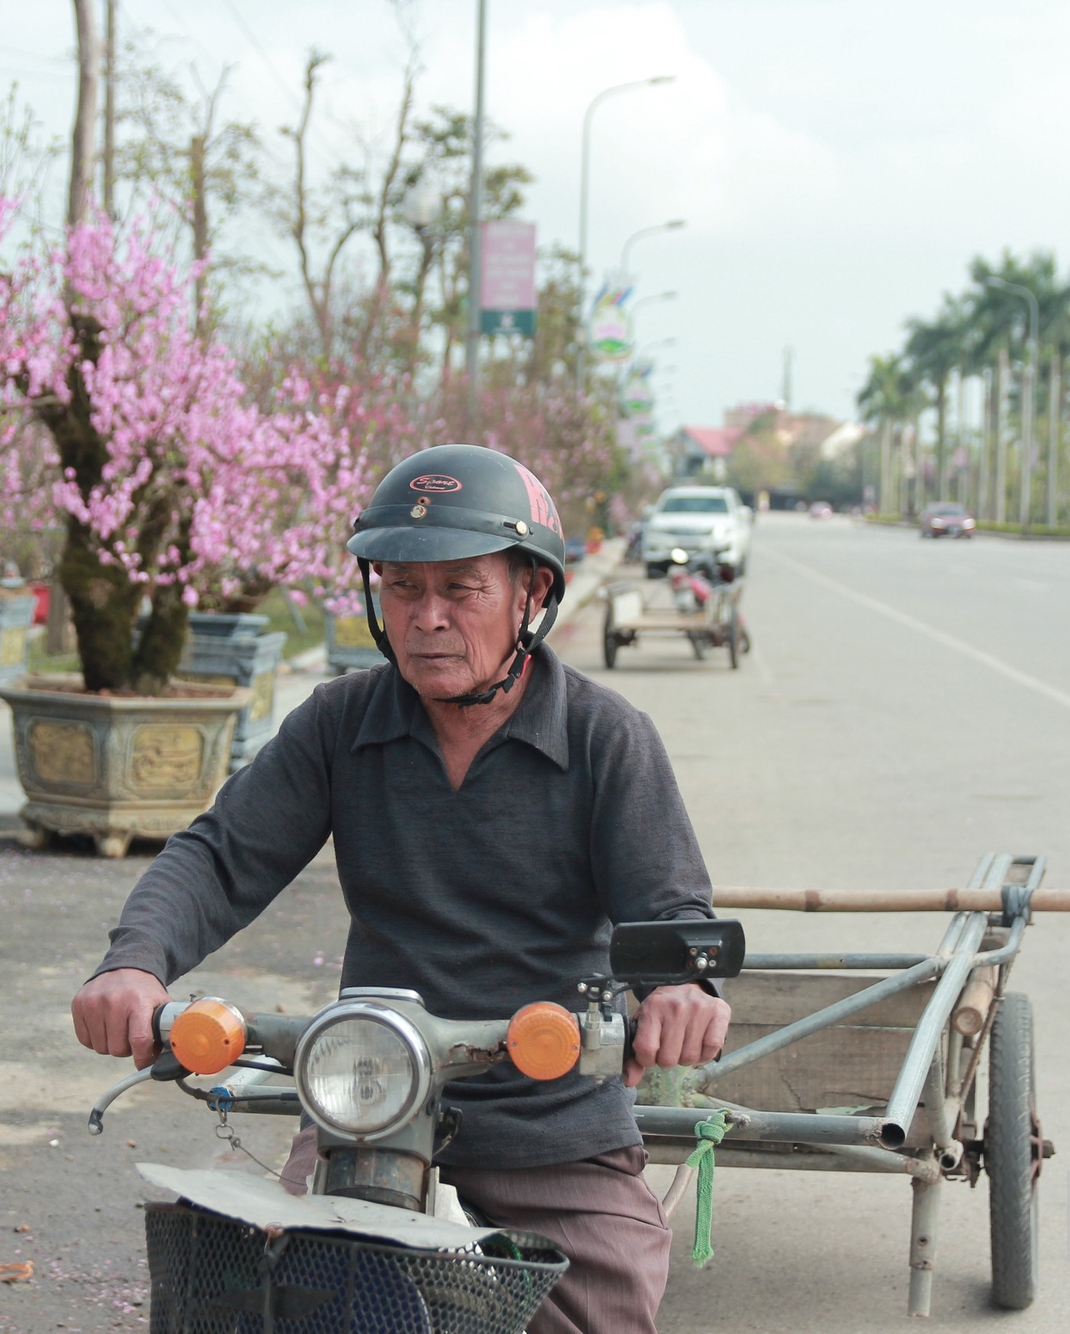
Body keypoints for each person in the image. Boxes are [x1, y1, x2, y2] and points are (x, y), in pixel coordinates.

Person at [71, 443, 731, 1334]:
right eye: (401, 586)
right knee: (269, 1303)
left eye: (461, 588)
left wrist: (681, 988)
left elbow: (670, 911)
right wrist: (135, 962)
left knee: (600, 1317)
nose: (428, 617)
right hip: (369, 1104)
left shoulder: (605, 737)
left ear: (532, 592)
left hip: (550, 1117)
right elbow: (220, 856)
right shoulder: (340, 723)